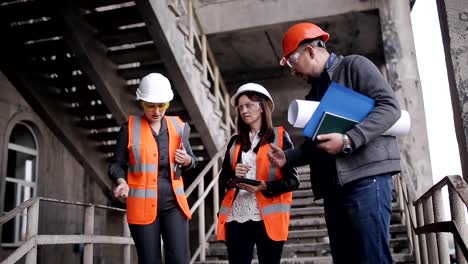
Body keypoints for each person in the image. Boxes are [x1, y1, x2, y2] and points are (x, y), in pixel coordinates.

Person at [268, 22, 402, 264]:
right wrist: (288, 157)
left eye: (291, 62)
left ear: (309, 51)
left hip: (364, 180)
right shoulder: (314, 94)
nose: (291, 71)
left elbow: (390, 107)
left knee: (371, 258)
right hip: (333, 188)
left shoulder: (354, 66)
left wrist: (349, 139)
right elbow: (317, 144)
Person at [108, 73, 197, 264]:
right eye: (151, 106)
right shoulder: (129, 128)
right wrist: (121, 181)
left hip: (174, 204)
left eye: (162, 105)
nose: (157, 111)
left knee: (180, 259)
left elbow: (193, 162)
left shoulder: (178, 126)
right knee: (149, 260)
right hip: (142, 206)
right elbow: (116, 164)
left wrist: (187, 160)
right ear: (141, 102)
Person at [216, 83, 299, 264]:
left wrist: (265, 187)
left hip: (268, 217)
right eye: (240, 107)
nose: (244, 111)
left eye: (248, 105)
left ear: (261, 107)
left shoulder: (279, 136)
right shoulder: (234, 142)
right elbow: (223, 180)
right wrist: (233, 177)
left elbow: (293, 181)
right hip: (237, 215)